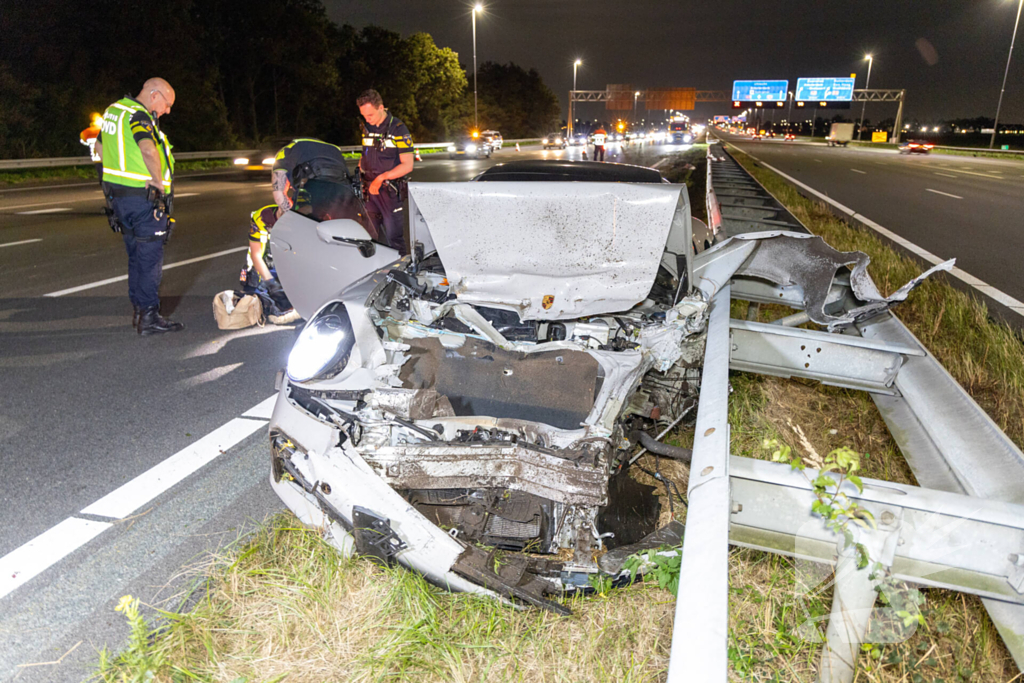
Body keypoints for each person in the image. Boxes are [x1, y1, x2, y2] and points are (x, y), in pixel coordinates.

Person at [98, 77, 182, 335]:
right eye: (167, 104)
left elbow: (100, 146)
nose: (167, 111)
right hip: (143, 200)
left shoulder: (114, 111)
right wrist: (157, 183)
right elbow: (147, 149)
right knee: (149, 260)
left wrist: (118, 174)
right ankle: (148, 317)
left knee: (135, 256)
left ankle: (139, 310)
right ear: (154, 95)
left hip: (120, 199)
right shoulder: (139, 115)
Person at [356, 89, 414, 254]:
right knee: (368, 237)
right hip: (369, 191)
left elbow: (407, 165)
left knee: (393, 238)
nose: (367, 120)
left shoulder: (398, 129)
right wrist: (363, 164)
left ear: (381, 108)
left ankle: (401, 274)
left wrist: (382, 177)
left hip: (388, 191)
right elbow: (367, 152)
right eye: (364, 116)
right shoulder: (367, 127)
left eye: (370, 115)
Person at [240, 204, 300, 324]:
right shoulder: (261, 218)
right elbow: (256, 255)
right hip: (265, 267)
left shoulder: (303, 219)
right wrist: (271, 283)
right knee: (271, 301)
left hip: (288, 264)